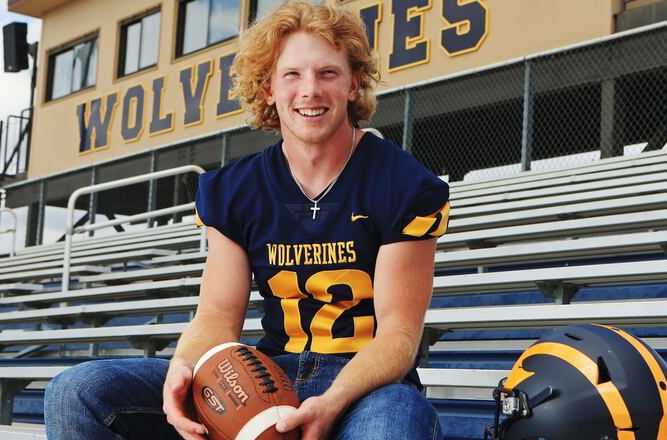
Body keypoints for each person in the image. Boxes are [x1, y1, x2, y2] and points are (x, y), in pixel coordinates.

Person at [44, 1, 450, 439]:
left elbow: (398, 336)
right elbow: (218, 315)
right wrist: (185, 366)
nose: (310, 90)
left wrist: (332, 400)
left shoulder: (405, 184)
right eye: (292, 74)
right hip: (267, 375)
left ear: (353, 84)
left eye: (327, 73)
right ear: (269, 89)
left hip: (369, 387)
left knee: (390, 430)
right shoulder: (237, 189)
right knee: (76, 391)